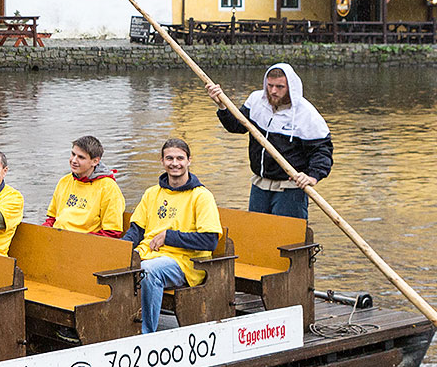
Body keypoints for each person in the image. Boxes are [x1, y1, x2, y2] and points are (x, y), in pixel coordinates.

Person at [206, 63, 332, 220]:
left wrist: (312, 176)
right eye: (270, 86)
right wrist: (222, 105)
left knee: (287, 238)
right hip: (260, 184)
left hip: (290, 187)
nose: (273, 91)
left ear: (290, 87)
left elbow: (322, 151)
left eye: (280, 87)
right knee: (257, 234)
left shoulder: (307, 115)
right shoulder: (256, 101)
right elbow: (236, 126)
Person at [123, 137, 222, 334]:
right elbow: (136, 230)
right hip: (148, 254)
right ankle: (120, 328)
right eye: (169, 158)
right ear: (162, 161)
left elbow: (210, 241)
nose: (174, 163)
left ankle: (145, 334)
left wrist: (169, 237)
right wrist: (118, 251)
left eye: (180, 158)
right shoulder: (152, 193)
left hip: (185, 262)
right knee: (115, 267)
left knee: (148, 271)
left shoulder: (201, 196)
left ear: (189, 160)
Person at [42, 136, 125, 236]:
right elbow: (52, 218)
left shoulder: (108, 188)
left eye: (81, 157)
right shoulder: (64, 181)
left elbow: (112, 232)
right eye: (73, 154)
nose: (74, 160)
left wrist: (81, 243)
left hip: (85, 243)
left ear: (95, 161)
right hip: (58, 238)